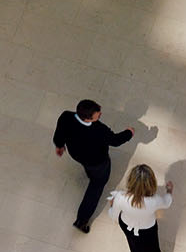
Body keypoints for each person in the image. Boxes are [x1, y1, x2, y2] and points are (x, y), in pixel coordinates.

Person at [53, 99, 133, 233]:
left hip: (78, 155)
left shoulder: (66, 116)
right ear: (87, 118)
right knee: (97, 185)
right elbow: (115, 140)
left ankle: (90, 174)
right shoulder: (99, 130)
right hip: (97, 162)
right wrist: (129, 132)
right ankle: (82, 220)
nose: (100, 114)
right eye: (98, 114)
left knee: (90, 171)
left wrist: (59, 145)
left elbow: (59, 132)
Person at [108, 164, 172, 252]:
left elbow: (113, 215)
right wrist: (169, 191)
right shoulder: (155, 200)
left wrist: (112, 205)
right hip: (147, 230)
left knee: (134, 246)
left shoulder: (120, 197)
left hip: (126, 226)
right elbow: (167, 203)